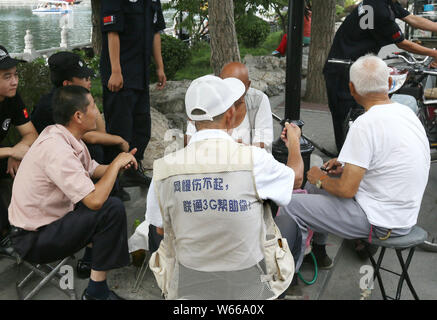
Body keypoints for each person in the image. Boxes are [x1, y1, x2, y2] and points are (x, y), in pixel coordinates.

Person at [146, 75, 304, 299]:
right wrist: (294, 142)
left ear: (191, 120)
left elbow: (160, 230)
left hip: (189, 282)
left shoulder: (163, 169)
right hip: (248, 284)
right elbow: (296, 179)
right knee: (289, 226)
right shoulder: (254, 159)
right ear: (231, 115)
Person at [277, 54, 430, 272]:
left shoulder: (364, 123)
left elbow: (347, 189)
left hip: (381, 222)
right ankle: (319, 254)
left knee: (290, 203)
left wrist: (319, 178)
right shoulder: (406, 112)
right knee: (314, 185)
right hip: (402, 215)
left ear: (351, 88)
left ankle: (285, 280)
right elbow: (388, 157)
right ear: (389, 82)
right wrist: (340, 166)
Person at [8, 86, 136, 300]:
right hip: (33, 239)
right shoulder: (56, 149)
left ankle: (92, 259)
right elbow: (95, 202)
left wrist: (117, 163)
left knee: (107, 189)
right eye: (93, 107)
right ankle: (96, 293)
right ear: (78, 116)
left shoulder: (64, 136)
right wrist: (116, 166)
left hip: (46, 224)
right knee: (110, 208)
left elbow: (92, 168)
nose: (97, 112)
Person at [324, 0, 437, 153]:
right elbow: (402, 43)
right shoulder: (381, 11)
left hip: (357, 65)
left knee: (360, 111)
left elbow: (413, 19)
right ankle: (345, 160)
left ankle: (358, 155)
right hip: (343, 66)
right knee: (345, 114)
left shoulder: (385, 2)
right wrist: (433, 53)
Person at [31, 51, 131, 202]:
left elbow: (100, 130)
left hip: (73, 148)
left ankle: (113, 187)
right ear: (67, 84)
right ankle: (96, 194)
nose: (89, 81)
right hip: (56, 161)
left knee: (108, 144)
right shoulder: (54, 105)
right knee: (98, 147)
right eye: (84, 78)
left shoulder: (75, 99)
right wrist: (119, 140)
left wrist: (90, 102)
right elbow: (88, 136)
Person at [100, 0, 167, 188]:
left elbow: (155, 33)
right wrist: (115, 70)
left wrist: (160, 67)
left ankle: (133, 169)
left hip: (140, 74)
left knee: (141, 125)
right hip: (120, 74)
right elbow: (112, 32)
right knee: (120, 127)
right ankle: (114, 178)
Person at [185, 62, 274, 152]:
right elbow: (190, 140)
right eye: (228, 88)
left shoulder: (258, 100)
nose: (232, 95)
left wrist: (240, 149)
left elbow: (264, 141)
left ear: (248, 85)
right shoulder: (207, 100)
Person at [0, 45, 38, 242]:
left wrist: (17, 152)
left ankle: (24, 225)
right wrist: (10, 151)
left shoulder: (12, 98)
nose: (14, 81)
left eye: (15, 75)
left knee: (30, 164)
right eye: (7, 77)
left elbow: (31, 133)